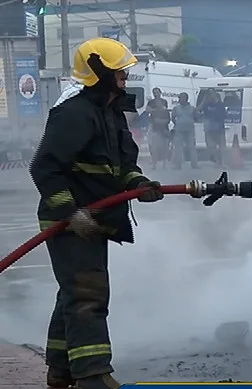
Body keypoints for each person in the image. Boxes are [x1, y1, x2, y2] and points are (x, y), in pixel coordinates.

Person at [29, 37, 164, 389]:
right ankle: (92, 375)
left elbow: (121, 164)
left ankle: (61, 369)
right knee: (88, 292)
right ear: (98, 72)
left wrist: (140, 184)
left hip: (93, 216)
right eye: (119, 71)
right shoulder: (74, 113)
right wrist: (71, 213)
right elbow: (44, 167)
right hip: (68, 217)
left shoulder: (110, 111)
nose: (124, 76)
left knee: (74, 291)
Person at [199, 90, 227, 167]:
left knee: (222, 147)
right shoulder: (206, 105)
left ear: (214, 95)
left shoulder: (220, 105)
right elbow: (198, 110)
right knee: (211, 147)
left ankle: (223, 162)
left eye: (211, 95)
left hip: (219, 129)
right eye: (208, 95)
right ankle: (217, 161)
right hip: (209, 130)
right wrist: (204, 100)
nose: (210, 97)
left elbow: (224, 116)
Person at [170, 92, 198, 169]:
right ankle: (178, 165)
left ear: (186, 98)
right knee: (178, 148)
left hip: (190, 130)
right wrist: (177, 123)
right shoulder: (176, 108)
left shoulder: (192, 108)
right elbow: (173, 117)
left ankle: (194, 164)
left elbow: (196, 117)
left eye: (181, 97)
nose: (179, 99)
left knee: (192, 147)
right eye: (179, 97)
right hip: (179, 130)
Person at [145, 87, 171, 170]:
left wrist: (161, 120)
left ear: (160, 93)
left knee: (165, 147)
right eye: (154, 92)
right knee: (154, 147)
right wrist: (156, 110)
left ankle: (165, 164)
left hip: (164, 129)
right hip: (154, 128)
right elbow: (147, 110)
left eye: (157, 92)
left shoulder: (164, 101)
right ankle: (154, 164)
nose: (156, 94)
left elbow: (168, 118)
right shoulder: (151, 102)